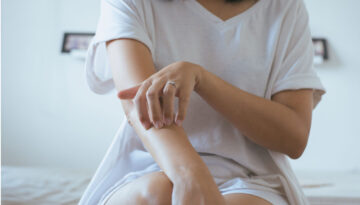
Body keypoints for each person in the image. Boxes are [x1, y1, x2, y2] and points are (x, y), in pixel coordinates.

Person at [78, 0, 326, 204]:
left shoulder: (285, 9)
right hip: (147, 166)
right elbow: (137, 104)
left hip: (251, 178)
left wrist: (203, 80)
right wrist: (191, 176)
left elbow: (294, 137)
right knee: (156, 193)